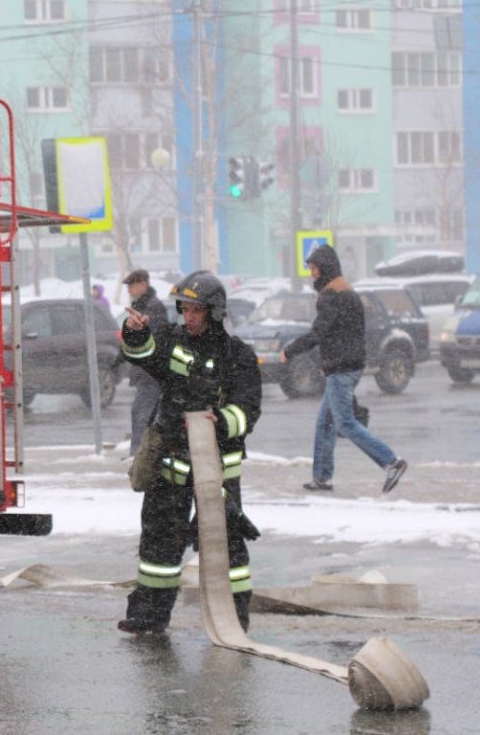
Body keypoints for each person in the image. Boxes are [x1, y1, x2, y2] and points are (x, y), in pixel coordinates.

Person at [116, 271, 262, 634]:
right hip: (170, 464)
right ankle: (148, 616)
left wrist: (221, 422)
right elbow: (143, 355)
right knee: (159, 546)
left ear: (214, 311)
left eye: (197, 310)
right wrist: (135, 332)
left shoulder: (238, 356)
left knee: (226, 549)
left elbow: (248, 410)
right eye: (185, 309)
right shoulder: (172, 341)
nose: (190, 317)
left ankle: (235, 620)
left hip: (217, 474)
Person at [280, 244, 407, 494]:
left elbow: (320, 332)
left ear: (325, 268)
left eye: (314, 268)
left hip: (341, 367)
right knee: (325, 423)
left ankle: (391, 462)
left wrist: (290, 351)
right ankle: (321, 478)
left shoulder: (332, 295)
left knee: (345, 423)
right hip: (350, 364)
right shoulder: (346, 290)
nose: (312, 274)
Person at [122, 269, 169, 457]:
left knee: (142, 413)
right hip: (147, 371)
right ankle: (142, 454)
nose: (129, 290)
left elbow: (154, 338)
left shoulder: (153, 307)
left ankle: (139, 455)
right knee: (144, 413)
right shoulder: (143, 306)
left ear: (143, 284)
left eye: (131, 285)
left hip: (151, 373)